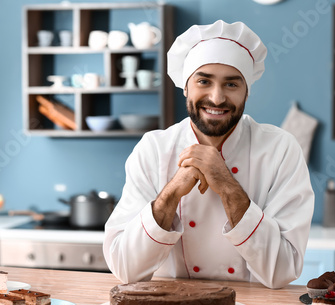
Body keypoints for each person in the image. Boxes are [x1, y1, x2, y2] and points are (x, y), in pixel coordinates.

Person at [103, 20, 314, 289]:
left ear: (246, 91)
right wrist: (170, 194)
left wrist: (226, 184)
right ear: (185, 87)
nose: (217, 98)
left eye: (231, 84)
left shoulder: (280, 149)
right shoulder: (154, 149)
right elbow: (125, 269)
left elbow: (283, 270)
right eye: (204, 81)